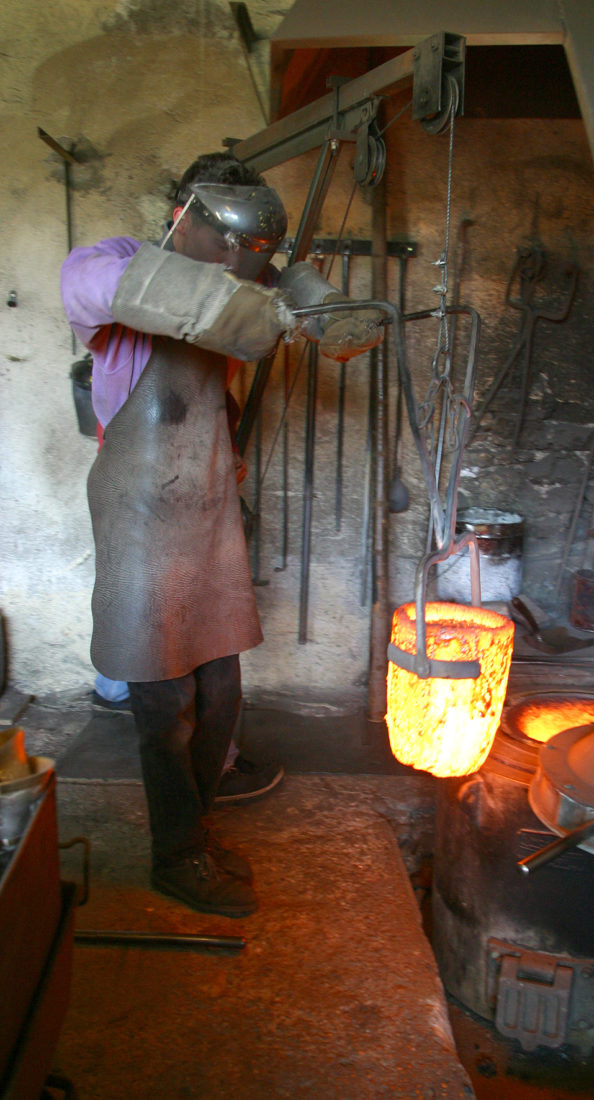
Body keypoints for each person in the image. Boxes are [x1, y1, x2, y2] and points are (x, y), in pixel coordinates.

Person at [61, 151, 381, 917]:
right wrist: (248, 301)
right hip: (141, 507)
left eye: (247, 252)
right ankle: (174, 854)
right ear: (185, 211)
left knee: (218, 678)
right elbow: (96, 288)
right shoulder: (113, 264)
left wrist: (304, 295)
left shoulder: (248, 276)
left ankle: (205, 796)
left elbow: (328, 326)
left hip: (203, 499)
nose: (237, 263)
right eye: (225, 240)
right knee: (160, 690)